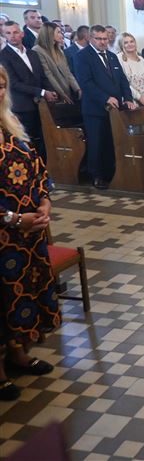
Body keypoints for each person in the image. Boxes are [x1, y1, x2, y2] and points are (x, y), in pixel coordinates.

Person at [0, 65, 60, 402]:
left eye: (1, 85)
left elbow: (37, 169)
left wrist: (45, 201)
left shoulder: (10, 123)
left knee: (19, 296)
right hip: (5, 234)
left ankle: (18, 354)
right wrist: (12, 218)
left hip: (27, 235)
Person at [74, 25, 135, 189]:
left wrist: (128, 98)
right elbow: (86, 83)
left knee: (111, 142)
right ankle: (96, 176)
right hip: (95, 109)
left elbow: (122, 80)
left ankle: (111, 174)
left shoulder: (112, 56)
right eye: (99, 39)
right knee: (97, 143)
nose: (102, 42)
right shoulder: (82, 56)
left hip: (115, 109)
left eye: (105, 39)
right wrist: (105, 98)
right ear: (90, 38)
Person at [0, 21, 58, 161]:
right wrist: (42, 92)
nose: (12, 36)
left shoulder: (32, 53)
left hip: (41, 105)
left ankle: (43, 168)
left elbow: (42, 76)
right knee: (28, 143)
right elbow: (13, 83)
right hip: (22, 107)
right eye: (8, 33)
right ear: (4, 35)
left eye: (15, 32)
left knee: (45, 140)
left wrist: (50, 91)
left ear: (22, 34)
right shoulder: (3, 55)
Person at [33, 22, 82, 107]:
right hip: (53, 93)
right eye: (58, 32)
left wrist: (77, 88)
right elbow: (48, 74)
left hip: (66, 90)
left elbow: (67, 71)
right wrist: (62, 94)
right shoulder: (38, 50)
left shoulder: (58, 50)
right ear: (50, 34)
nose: (62, 35)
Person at [118, 33, 144, 108]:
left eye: (132, 41)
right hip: (131, 101)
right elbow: (123, 83)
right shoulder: (119, 58)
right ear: (121, 45)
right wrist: (139, 97)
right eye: (126, 42)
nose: (130, 44)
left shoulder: (141, 59)